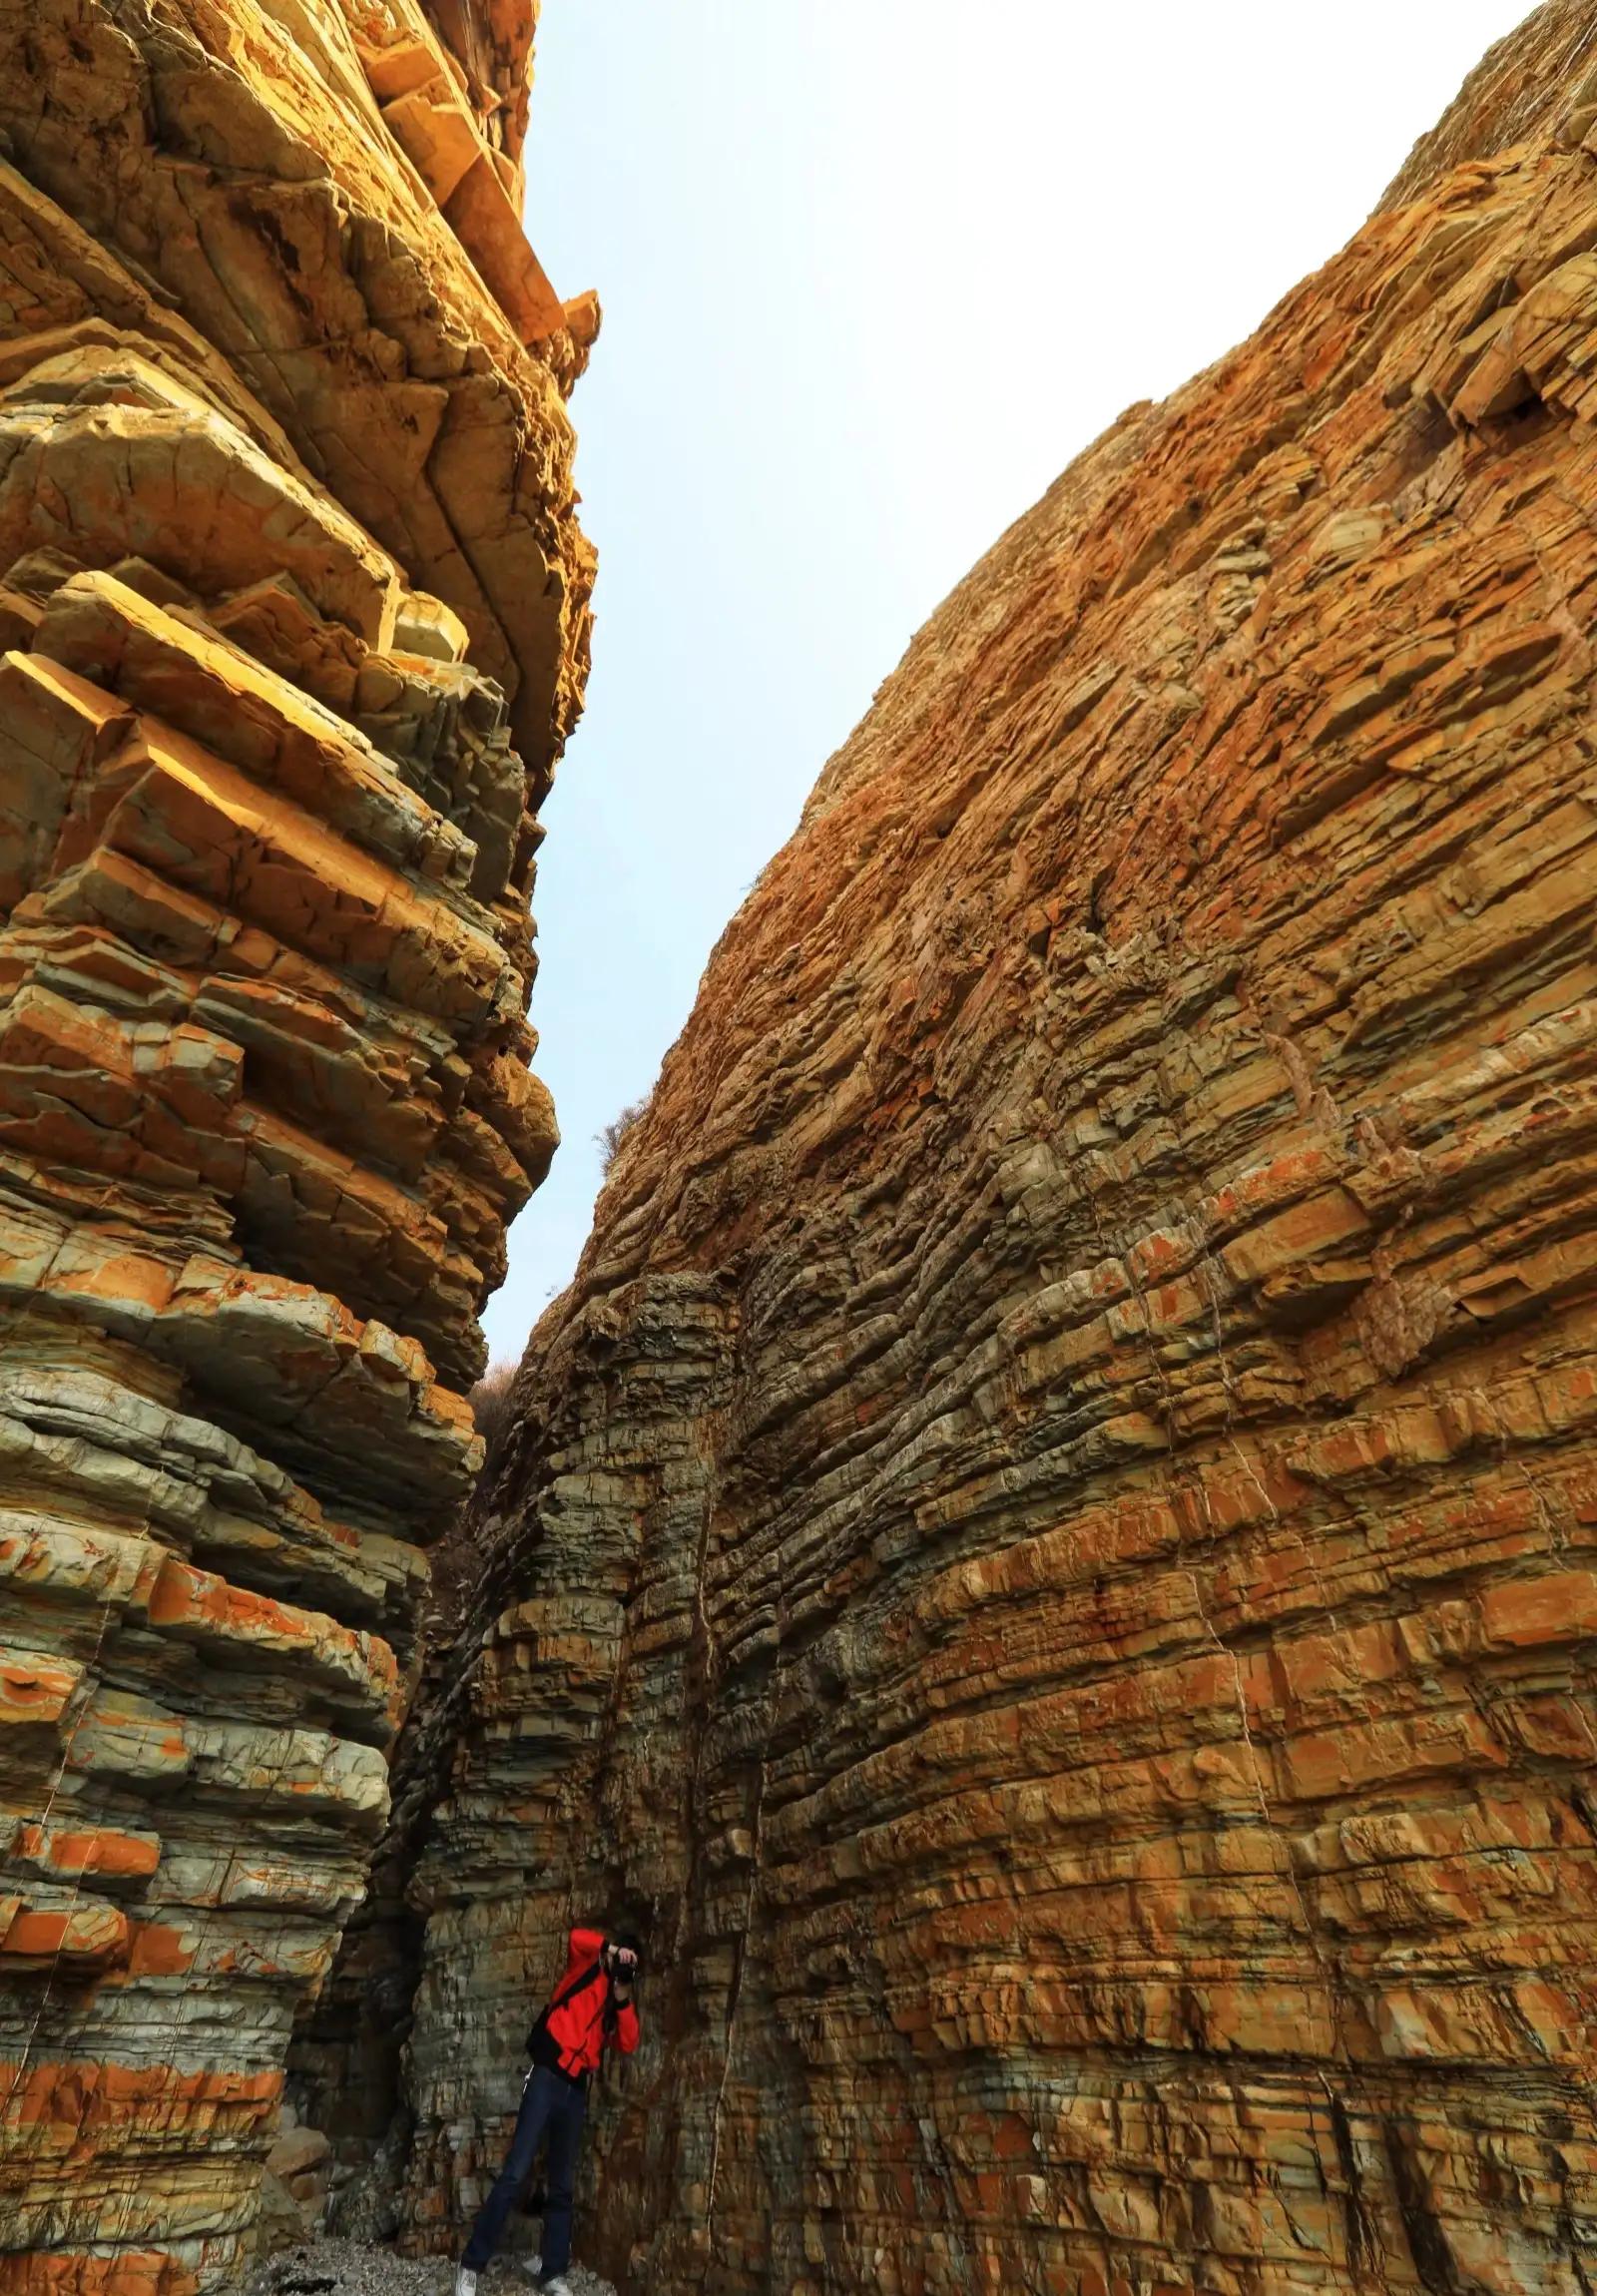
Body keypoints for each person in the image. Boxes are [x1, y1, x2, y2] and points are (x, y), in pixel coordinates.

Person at [454, 1926, 641, 2295]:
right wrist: (610, 1948)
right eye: (622, 1958)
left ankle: (552, 2271)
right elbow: (576, 1937)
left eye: (630, 1964)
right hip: (546, 2078)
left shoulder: (616, 1998)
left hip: (574, 2091)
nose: (623, 1965)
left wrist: (622, 1997)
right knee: (514, 2174)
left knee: (562, 2185)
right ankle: (470, 2265)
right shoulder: (585, 1966)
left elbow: (629, 2042)